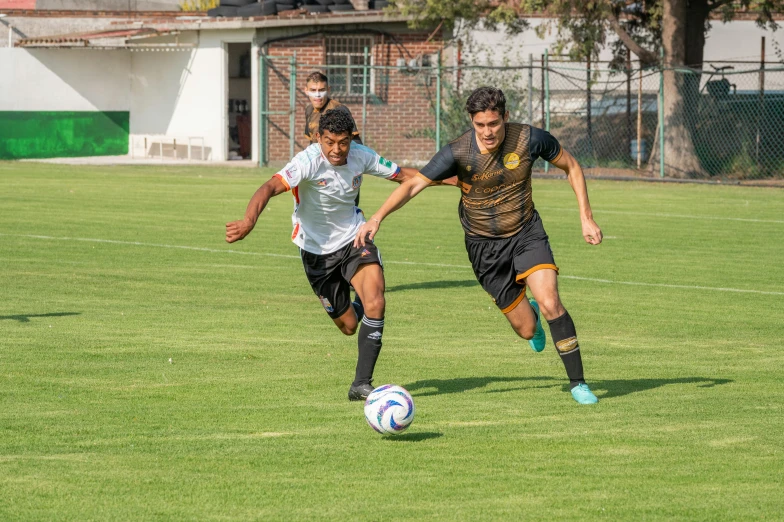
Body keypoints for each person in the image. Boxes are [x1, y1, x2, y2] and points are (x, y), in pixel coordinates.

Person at [354, 86, 603, 405]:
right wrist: (377, 217)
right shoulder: (457, 152)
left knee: (552, 300)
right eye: (480, 125)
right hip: (485, 250)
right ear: (472, 121)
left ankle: (578, 383)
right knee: (527, 330)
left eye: (494, 124)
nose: (488, 132)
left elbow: (571, 166)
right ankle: (533, 315)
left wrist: (586, 216)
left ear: (505, 118)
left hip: (527, 233)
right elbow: (415, 183)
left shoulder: (531, 139)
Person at [226, 109, 416, 402]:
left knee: (376, 300)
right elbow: (269, 187)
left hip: (354, 238)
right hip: (316, 253)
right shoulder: (308, 161)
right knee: (349, 326)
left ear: (351, 139)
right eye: (329, 142)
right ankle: (357, 304)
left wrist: (451, 179)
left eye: (343, 142)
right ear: (318, 138)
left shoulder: (361, 155)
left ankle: (361, 384)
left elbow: (405, 175)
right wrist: (249, 220)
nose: (336, 150)